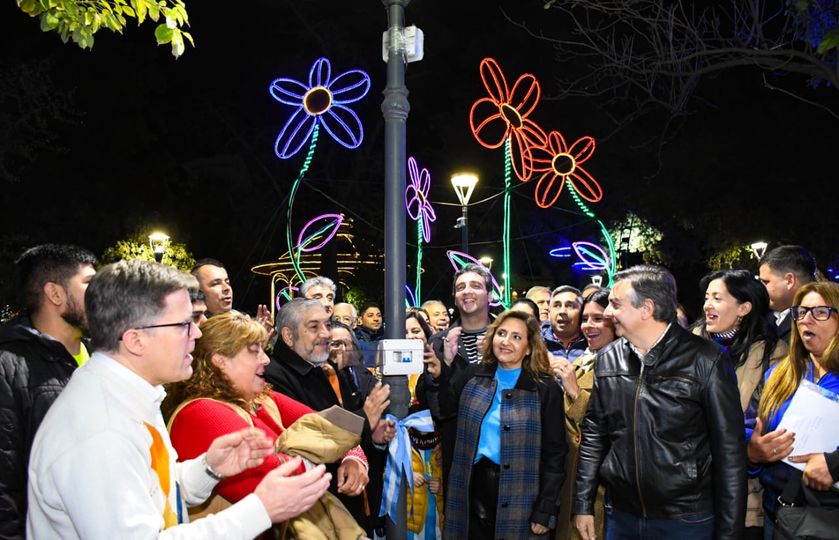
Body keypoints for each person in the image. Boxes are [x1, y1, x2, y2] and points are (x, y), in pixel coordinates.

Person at [27, 260, 330, 539]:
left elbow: (155, 491)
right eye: (184, 324)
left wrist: (209, 468)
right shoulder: (99, 429)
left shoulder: (132, 396)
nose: (198, 333)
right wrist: (261, 509)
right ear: (136, 340)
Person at [573, 265, 746, 540]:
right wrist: (582, 504)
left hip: (685, 520)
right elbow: (595, 435)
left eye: (615, 304)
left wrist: (728, 534)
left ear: (647, 309)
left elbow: (730, 454)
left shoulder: (705, 359)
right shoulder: (608, 359)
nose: (607, 312)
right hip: (621, 515)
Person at [164, 311, 367, 536]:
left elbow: (334, 425)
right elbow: (281, 481)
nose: (265, 359)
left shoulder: (261, 398)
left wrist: (353, 457)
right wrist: (328, 449)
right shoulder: (201, 413)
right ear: (220, 361)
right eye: (254, 351)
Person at [265, 298, 395, 533]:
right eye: (314, 327)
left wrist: (354, 456)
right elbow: (308, 432)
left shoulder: (321, 368)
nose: (325, 334)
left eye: (326, 324)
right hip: (309, 510)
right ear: (288, 335)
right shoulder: (273, 377)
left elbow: (336, 421)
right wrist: (364, 419)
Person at [439, 310, 567, 538]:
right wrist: (445, 366)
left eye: (517, 337)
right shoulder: (472, 376)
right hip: (471, 490)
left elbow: (555, 454)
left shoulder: (545, 389)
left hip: (522, 494)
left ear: (529, 347)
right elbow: (443, 410)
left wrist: (546, 508)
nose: (506, 341)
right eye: (501, 333)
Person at [0, 244, 96, 540]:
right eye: (90, 284)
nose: (103, 295)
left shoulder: (102, 355)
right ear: (55, 294)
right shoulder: (9, 366)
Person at [692, 269, 787, 537]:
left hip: (743, 496)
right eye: (707, 297)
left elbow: (760, 422)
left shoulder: (773, 355)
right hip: (687, 497)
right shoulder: (689, 345)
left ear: (744, 307)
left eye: (717, 298)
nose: (707, 305)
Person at [745, 281, 839, 538]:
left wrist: (834, 464)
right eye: (800, 312)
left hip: (831, 517)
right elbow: (746, 428)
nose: (806, 320)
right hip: (778, 515)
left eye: (820, 312)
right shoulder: (777, 375)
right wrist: (753, 452)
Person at [552, 288, 615, 540]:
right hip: (571, 479)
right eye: (586, 318)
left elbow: (611, 425)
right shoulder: (582, 362)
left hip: (600, 486)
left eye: (598, 318)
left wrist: (575, 391)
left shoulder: (624, 365)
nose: (589, 325)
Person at [758, 245, 817, 343]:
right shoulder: (763, 317)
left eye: (766, 282)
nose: (761, 288)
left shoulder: (817, 322)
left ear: (789, 280)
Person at [541, 286, 587, 361]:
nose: (562, 311)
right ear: (549, 312)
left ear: (582, 311)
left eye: (569, 306)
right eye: (557, 306)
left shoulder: (592, 342)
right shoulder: (535, 343)